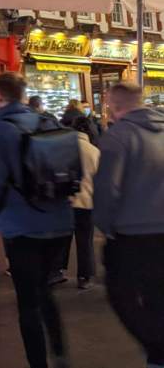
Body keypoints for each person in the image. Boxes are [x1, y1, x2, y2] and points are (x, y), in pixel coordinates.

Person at [0, 72, 73, 368]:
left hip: (23, 227)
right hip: (59, 222)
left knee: (28, 301)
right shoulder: (47, 121)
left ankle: (38, 363)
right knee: (44, 289)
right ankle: (59, 351)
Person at [93, 81, 164, 368]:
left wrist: (105, 227)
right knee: (157, 296)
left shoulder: (118, 137)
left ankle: (158, 350)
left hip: (132, 235)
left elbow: (107, 190)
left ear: (114, 105)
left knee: (122, 295)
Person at [54, 116, 100, 289]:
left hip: (66, 202)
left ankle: (57, 271)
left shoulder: (64, 149)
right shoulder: (94, 151)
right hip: (87, 202)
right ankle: (84, 276)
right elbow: (99, 178)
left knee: (62, 238)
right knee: (85, 240)